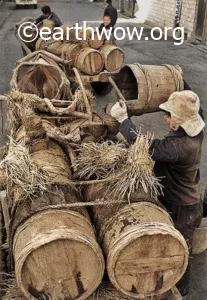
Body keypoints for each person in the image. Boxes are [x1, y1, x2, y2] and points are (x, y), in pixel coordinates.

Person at [110, 91, 205, 297]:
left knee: (181, 248)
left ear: (177, 123)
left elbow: (145, 146)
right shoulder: (196, 129)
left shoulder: (177, 148)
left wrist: (123, 120)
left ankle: (182, 288)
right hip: (186, 198)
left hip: (182, 207)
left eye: (169, 115)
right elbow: (195, 106)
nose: (165, 117)